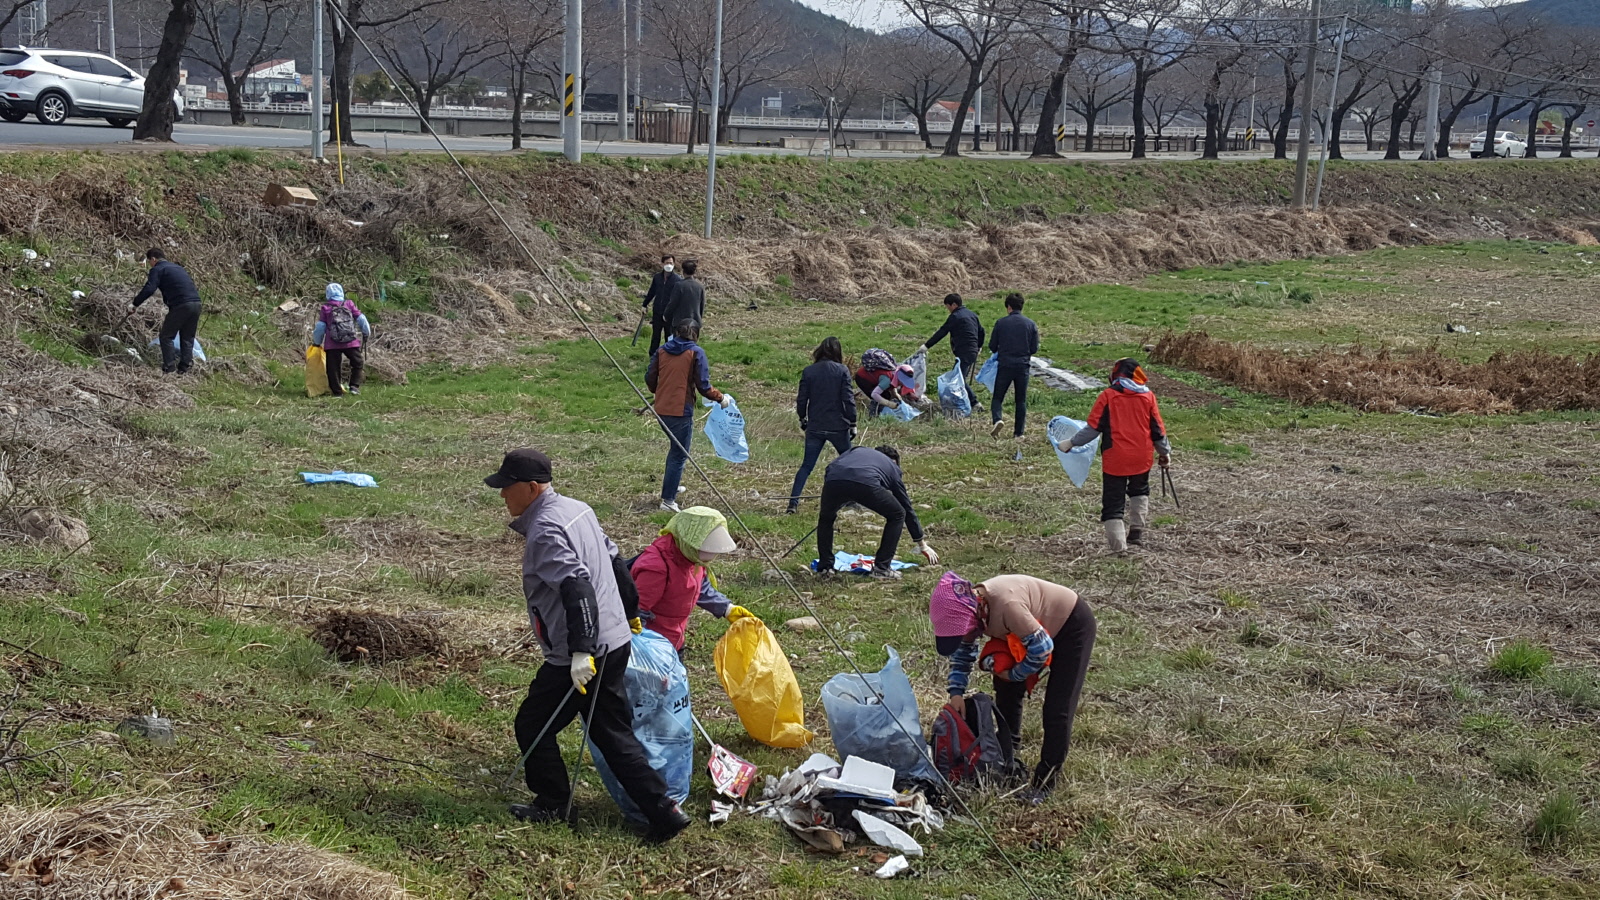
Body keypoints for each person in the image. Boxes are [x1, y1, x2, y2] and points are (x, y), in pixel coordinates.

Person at [484, 447, 691, 841]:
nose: (502, 495)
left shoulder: (545, 530)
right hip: (614, 640)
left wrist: (580, 651)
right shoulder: (578, 508)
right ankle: (663, 811)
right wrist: (630, 615)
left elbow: (576, 586)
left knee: (533, 723)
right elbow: (616, 562)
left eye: (507, 487)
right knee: (610, 731)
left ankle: (552, 803)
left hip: (580, 654)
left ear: (531, 488)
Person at [930, 572, 1096, 805]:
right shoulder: (973, 610)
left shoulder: (1007, 606)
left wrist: (1015, 674)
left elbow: (1042, 648)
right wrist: (956, 692)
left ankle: (1044, 782)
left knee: (1057, 709)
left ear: (974, 613)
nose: (964, 637)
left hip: (1071, 625)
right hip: (1030, 629)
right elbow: (963, 652)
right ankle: (1008, 752)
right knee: (1005, 686)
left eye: (963, 633)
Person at [1057, 358, 1171, 552]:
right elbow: (1157, 430)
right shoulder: (1148, 396)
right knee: (1140, 490)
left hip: (1115, 458)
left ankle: (1119, 549)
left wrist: (1070, 443)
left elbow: (1093, 429)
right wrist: (1165, 453)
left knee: (1113, 503)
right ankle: (1136, 532)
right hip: (1142, 457)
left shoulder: (1108, 396)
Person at [630, 506, 751, 654]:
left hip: (673, 641)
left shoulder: (690, 557)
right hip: (652, 646)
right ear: (692, 540)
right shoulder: (656, 568)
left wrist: (726, 608)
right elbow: (636, 610)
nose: (713, 556)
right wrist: (639, 647)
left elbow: (699, 586)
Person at [816, 445, 938, 580]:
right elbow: (906, 507)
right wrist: (922, 544)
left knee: (826, 518)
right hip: (865, 481)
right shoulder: (893, 469)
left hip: (833, 479)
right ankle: (882, 568)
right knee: (897, 514)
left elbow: (832, 467)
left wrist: (839, 497)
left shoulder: (857, 450)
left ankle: (825, 568)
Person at [646, 322, 729, 512]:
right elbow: (703, 385)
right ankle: (668, 501)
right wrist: (720, 398)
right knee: (679, 454)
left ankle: (672, 486)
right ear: (696, 334)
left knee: (675, 451)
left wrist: (658, 391)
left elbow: (650, 376)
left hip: (661, 407)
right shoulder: (695, 353)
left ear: (676, 333)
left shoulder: (661, 351)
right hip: (680, 410)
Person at [788, 337, 857, 514]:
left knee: (806, 466)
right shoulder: (842, 371)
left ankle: (793, 503)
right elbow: (848, 399)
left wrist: (802, 418)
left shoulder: (809, 371)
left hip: (815, 426)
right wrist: (853, 422)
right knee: (850, 464)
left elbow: (802, 399)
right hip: (838, 426)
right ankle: (852, 500)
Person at [129, 247, 202, 375]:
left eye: (149, 261)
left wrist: (135, 304)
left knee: (166, 336)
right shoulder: (177, 268)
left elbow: (150, 288)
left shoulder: (158, 269)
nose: (150, 265)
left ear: (153, 259)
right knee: (187, 337)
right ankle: (184, 368)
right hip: (196, 303)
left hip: (181, 304)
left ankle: (169, 367)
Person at [988, 293, 1039, 451]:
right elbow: (1034, 348)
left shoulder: (1001, 323)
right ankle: (1019, 433)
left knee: (998, 397)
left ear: (1008, 307)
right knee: (1020, 400)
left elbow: (992, 346)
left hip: (1005, 364)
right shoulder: (1030, 324)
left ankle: (998, 419)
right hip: (1023, 365)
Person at [311, 283, 372, 397]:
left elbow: (320, 327)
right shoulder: (348, 304)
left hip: (332, 344)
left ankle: (337, 392)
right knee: (358, 363)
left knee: (332, 368)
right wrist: (366, 333)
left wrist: (317, 342)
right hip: (350, 341)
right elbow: (361, 319)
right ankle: (354, 386)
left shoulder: (326, 308)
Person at [918, 293, 985, 382]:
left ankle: (971, 396)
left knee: (958, 380)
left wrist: (927, 345)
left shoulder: (955, 317)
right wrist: (979, 346)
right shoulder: (972, 314)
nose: (948, 309)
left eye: (948, 307)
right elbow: (982, 331)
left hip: (964, 351)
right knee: (958, 378)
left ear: (954, 305)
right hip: (971, 350)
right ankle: (963, 395)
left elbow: (942, 331)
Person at [641, 254, 680, 356]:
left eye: (671, 263)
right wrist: (644, 304)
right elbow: (652, 292)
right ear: (662, 264)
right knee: (656, 335)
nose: (669, 265)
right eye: (667, 263)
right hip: (657, 311)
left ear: (674, 264)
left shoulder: (677, 280)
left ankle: (669, 355)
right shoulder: (657, 277)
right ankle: (653, 356)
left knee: (669, 335)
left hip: (670, 314)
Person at [662, 258, 705, 334]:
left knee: (679, 343)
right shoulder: (700, 286)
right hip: (695, 322)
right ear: (694, 272)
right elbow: (702, 305)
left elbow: (673, 303)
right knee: (691, 344)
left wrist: (666, 315)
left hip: (680, 322)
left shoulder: (679, 285)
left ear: (683, 271)